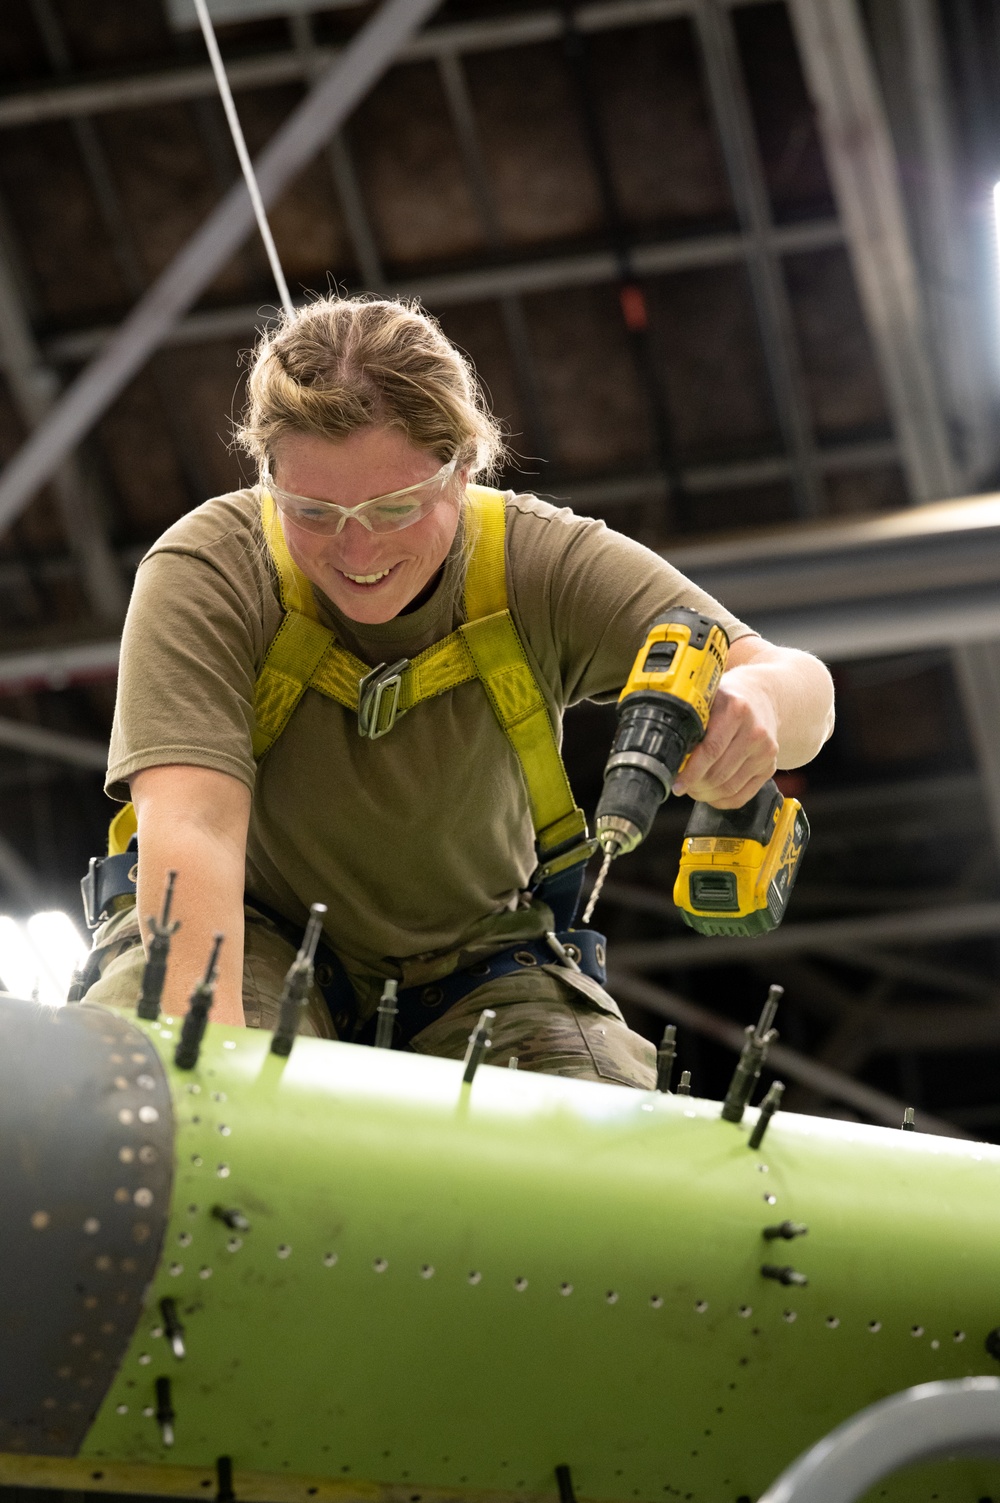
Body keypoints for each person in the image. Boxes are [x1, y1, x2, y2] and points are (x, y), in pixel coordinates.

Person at [82, 295, 834, 1088]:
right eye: (313, 510)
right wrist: (211, 1101)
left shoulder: (538, 564)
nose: (356, 548)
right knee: (145, 1074)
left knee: (607, 1148)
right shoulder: (212, 570)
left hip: (483, 963)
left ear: (464, 468)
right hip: (253, 925)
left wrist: (757, 703)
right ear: (268, 476)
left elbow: (803, 690)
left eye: (395, 507)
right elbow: (190, 828)